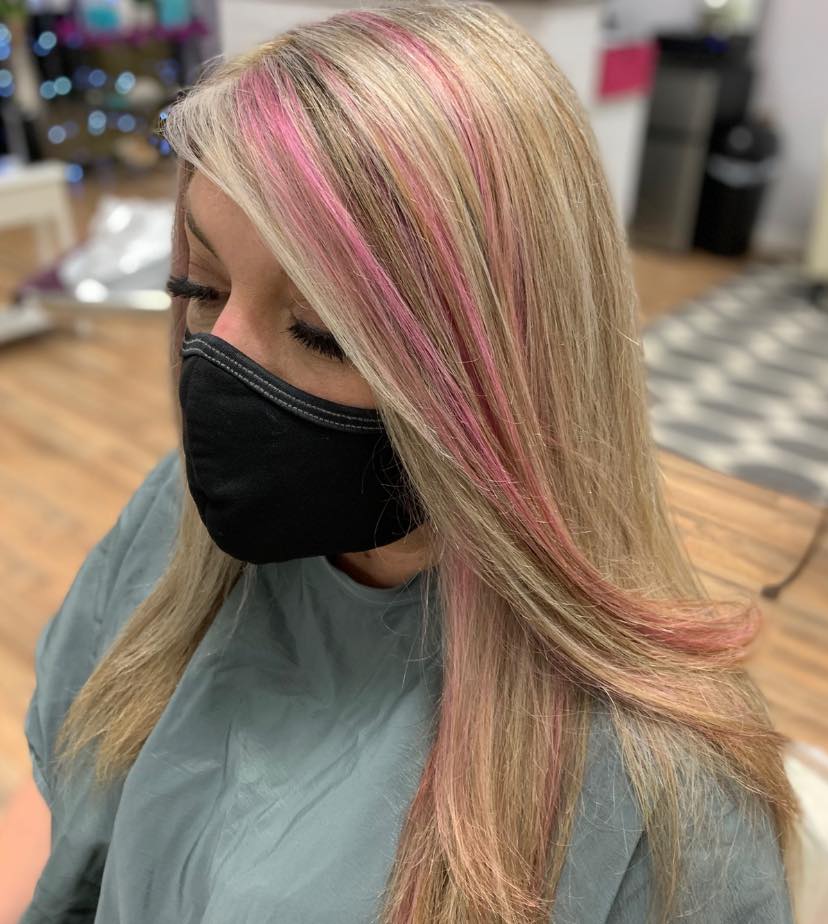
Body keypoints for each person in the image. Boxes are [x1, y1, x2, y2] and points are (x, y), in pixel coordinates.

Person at [4, 2, 801, 922]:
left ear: (508, 368)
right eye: (201, 289)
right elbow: (67, 807)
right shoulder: (173, 524)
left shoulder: (665, 800)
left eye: (324, 330)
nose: (215, 365)